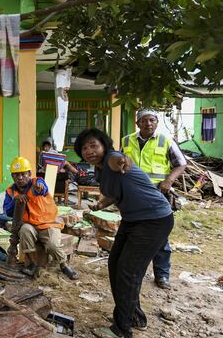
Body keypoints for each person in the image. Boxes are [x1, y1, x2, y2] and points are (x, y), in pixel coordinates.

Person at [75, 128, 173, 338]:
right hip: (132, 219)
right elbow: (113, 193)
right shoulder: (100, 171)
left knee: (128, 272)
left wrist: (123, 160)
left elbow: (119, 160)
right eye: (84, 148)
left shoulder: (111, 159)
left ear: (104, 146)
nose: (89, 150)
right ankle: (134, 316)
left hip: (154, 219)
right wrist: (100, 204)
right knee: (115, 265)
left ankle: (122, 329)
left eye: (94, 145)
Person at [121, 109, 186, 290]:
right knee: (133, 231)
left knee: (159, 235)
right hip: (133, 195)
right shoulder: (126, 141)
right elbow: (119, 163)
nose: (148, 124)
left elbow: (181, 164)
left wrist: (169, 180)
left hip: (156, 193)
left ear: (157, 122)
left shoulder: (165, 140)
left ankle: (162, 274)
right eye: (144, 120)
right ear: (137, 123)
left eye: (152, 120)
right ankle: (132, 273)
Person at [3, 157, 79, 280]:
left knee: (52, 245)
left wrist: (40, 187)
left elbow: (43, 188)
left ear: (29, 174)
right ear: (12, 177)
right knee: (25, 231)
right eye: (16, 175)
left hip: (48, 223)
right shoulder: (11, 191)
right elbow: (7, 211)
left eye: (23, 174)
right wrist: (15, 201)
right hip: (30, 224)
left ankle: (64, 264)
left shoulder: (37, 182)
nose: (20, 178)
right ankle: (33, 264)